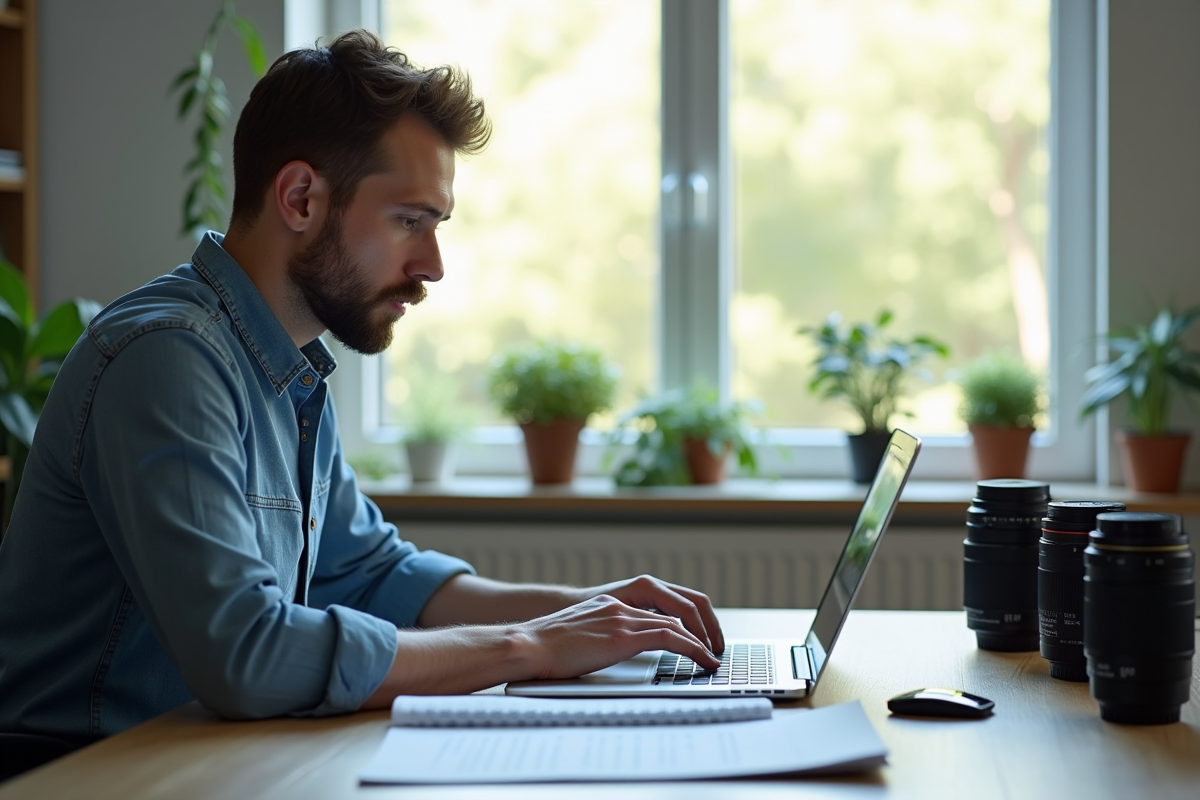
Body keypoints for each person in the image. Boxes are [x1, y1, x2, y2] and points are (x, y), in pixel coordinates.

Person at [0, 30, 721, 745]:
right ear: (301, 197)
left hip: (202, 762)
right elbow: (245, 654)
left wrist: (595, 614)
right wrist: (526, 648)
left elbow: (376, 575)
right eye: (410, 221)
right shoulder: (168, 359)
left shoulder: (288, 367)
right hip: (89, 775)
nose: (434, 265)